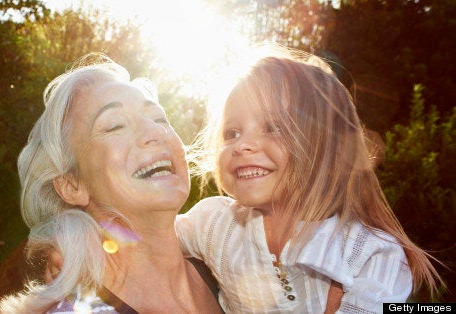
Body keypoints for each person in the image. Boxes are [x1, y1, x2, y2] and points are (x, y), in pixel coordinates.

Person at [176, 45, 444, 313]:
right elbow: (142, 239)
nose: (242, 145)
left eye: (273, 127)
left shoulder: (372, 254)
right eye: (232, 133)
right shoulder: (213, 223)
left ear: (327, 148)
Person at [0, 54, 223, 313]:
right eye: (115, 125)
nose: (155, 132)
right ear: (72, 185)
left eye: (160, 119)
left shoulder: (231, 270)